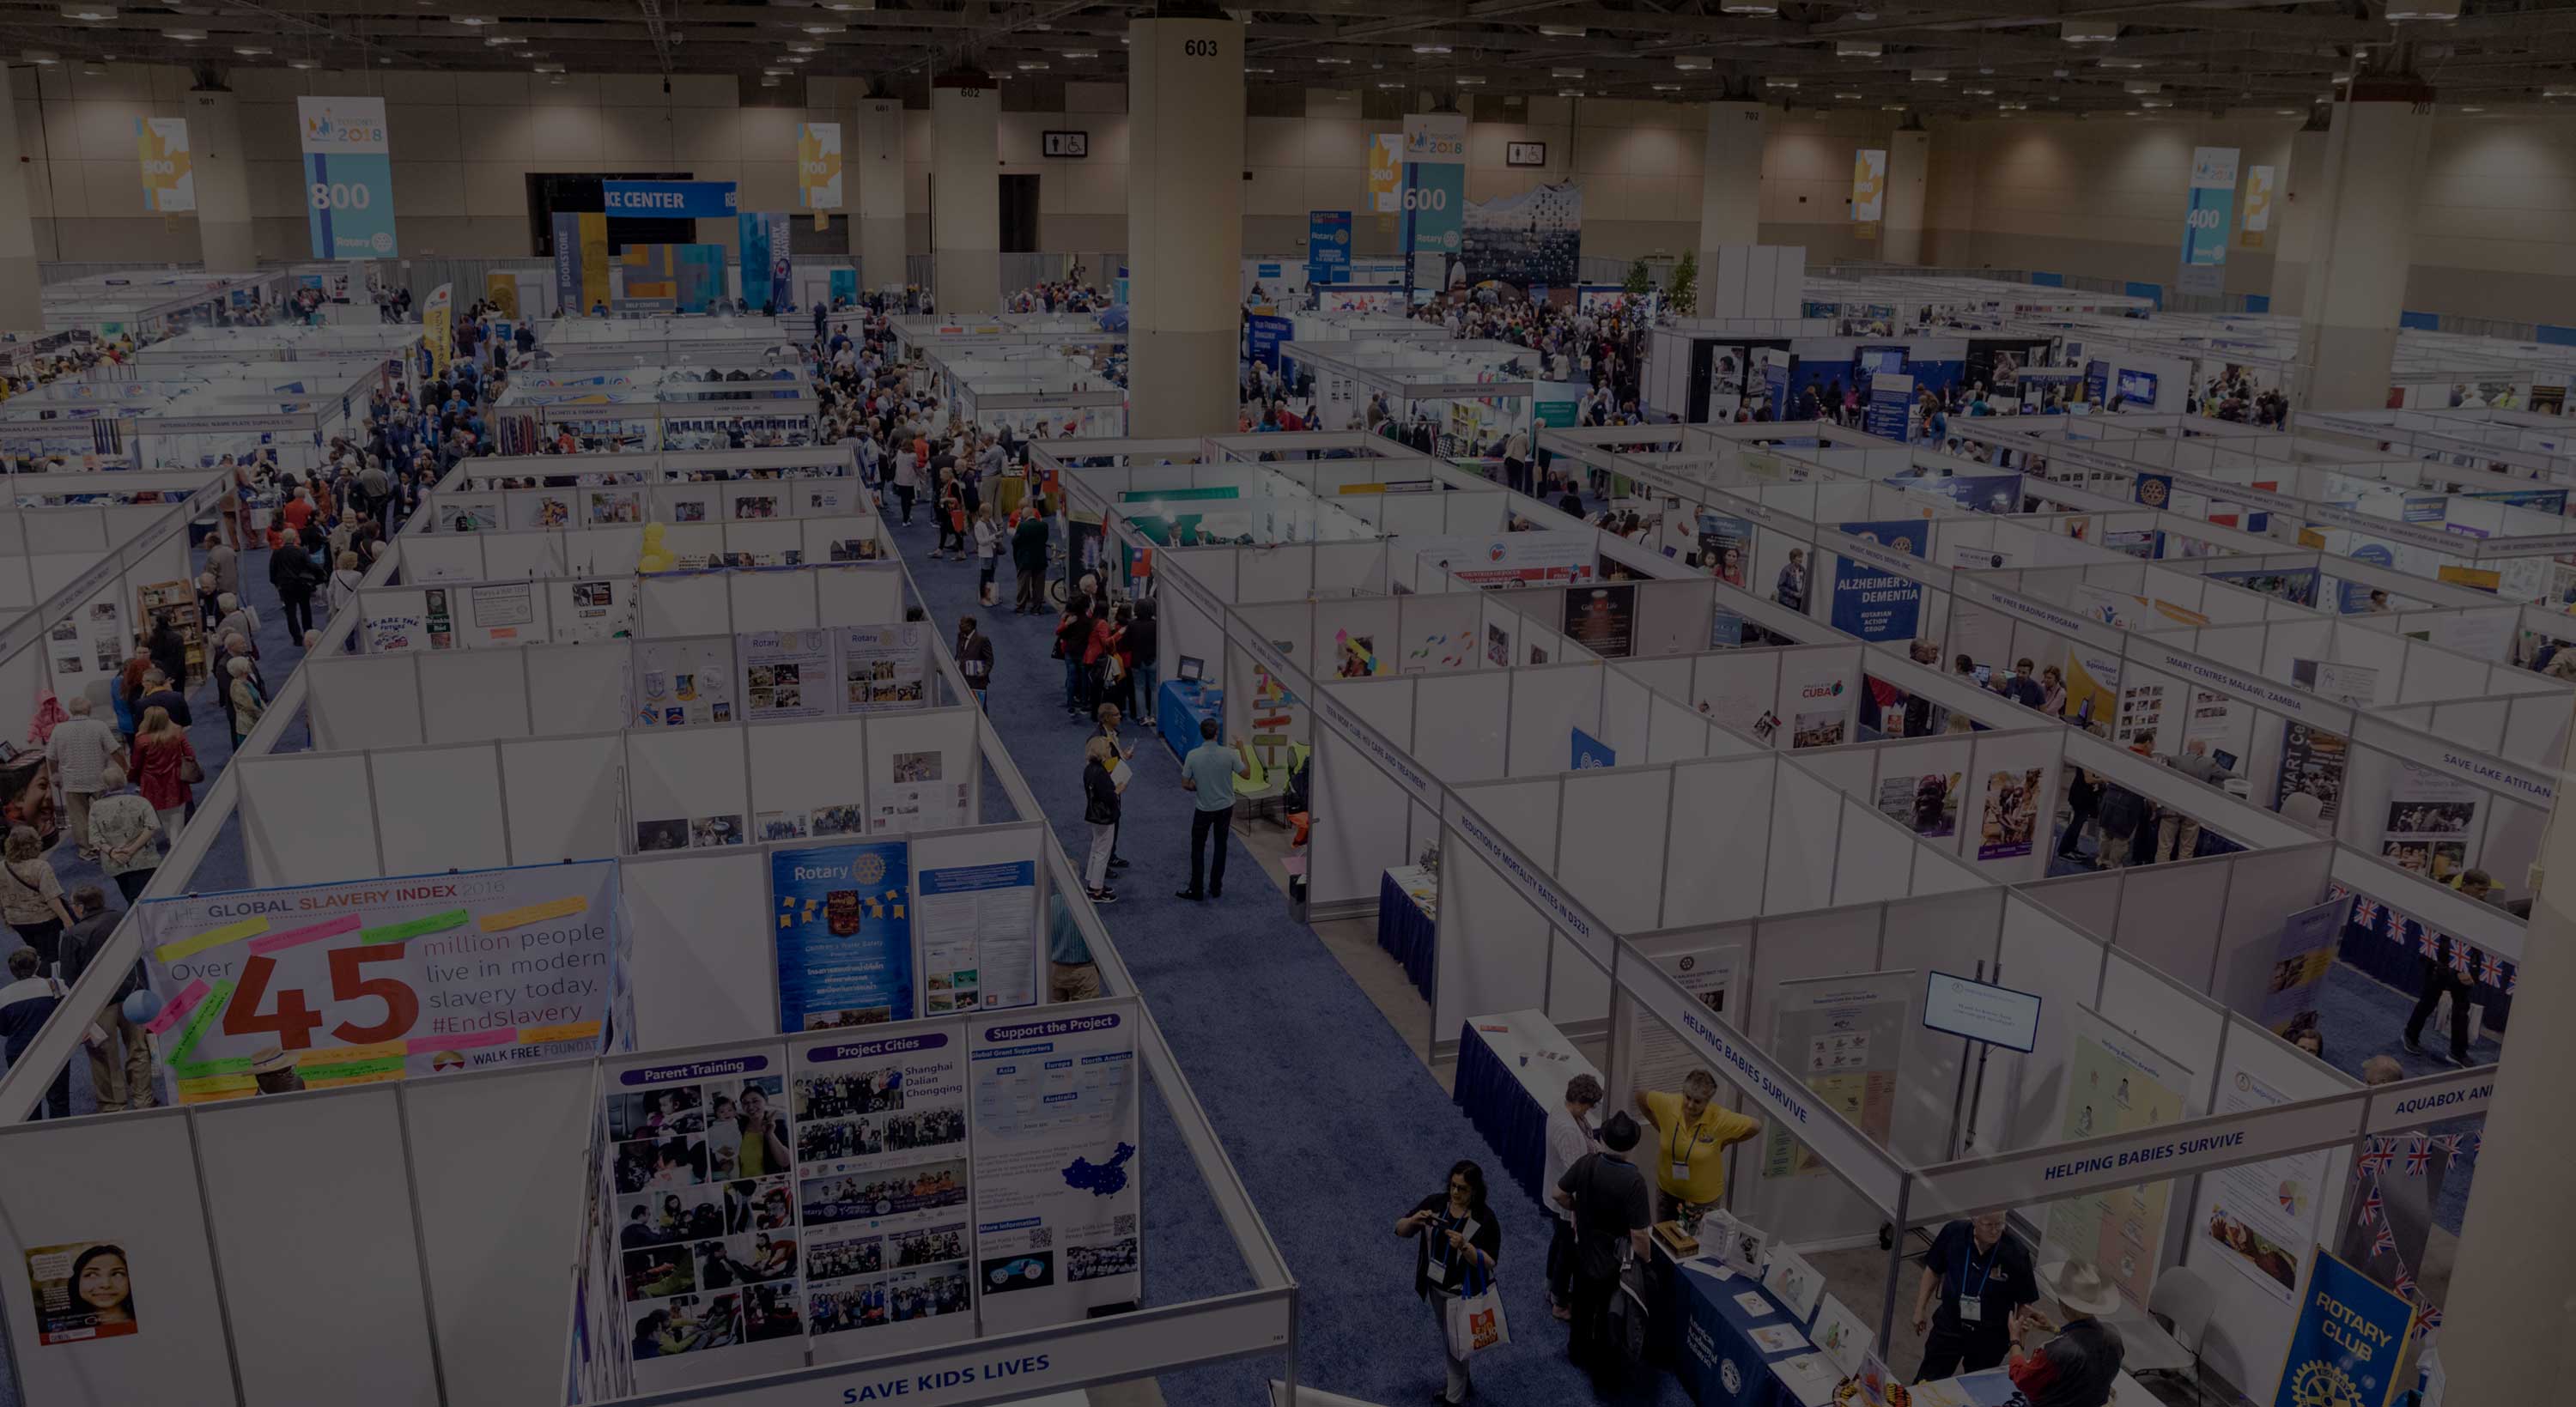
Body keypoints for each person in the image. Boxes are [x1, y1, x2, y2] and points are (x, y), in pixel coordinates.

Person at [1397, 1160, 1504, 1407]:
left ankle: (1454, 1398)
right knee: (1454, 1339)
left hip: (1461, 1294)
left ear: (1475, 1190)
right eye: (1453, 1186)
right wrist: (1414, 1220)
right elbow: (1399, 1229)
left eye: (1463, 1189)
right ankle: (1463, 1383)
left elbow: (1489, 1261)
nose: (1455, 1193)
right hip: (1435, 1288)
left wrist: (1466, 1248)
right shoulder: (1435, 1204)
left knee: (1455, 1346)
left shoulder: (1486, 1219)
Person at [1557, 1109, 1652, 1375]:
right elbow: (1640, 1235)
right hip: (1613, 1260)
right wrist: (1646, 1260)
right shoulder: (1634, 1181)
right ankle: (1601, 1365)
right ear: (1632, 1146)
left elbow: (1559, 1194)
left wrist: (1578, 1208)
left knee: (1583, 1304)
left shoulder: (1587, 1162)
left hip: (1584, 1250)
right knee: (1609, 1312)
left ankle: (1577, 1352)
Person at [1911, 1210, 2038, 1380]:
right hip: (1950, 1326)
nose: (1995, 1231)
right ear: (1974, 1220)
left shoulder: (2016, 1253)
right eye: (1989, 1225)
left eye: (2000, 1224)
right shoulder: (1953, 1233)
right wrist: (1920, 1309)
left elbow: (2025, 1301)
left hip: (1990, 1337)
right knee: (1927, 1381)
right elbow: (1933, 1269)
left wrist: (2019, 1341)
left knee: (1978, 1388)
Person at [1630, 1069, 1760, 1232]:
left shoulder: (1720, 1118)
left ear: (1708, 1102)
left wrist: (1727, 1141)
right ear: (1683, 1093)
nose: (1690, 1105)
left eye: (1697, 1101)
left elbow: (1755, 1126)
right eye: (1688, 1098)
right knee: (1664, 1242)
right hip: (1668, 1193)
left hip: (1702, 1201)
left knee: (1696, 1247)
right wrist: (1660, 1127)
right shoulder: (1668, 1104)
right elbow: (1641, 1097)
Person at [61, 885, 151, 1112]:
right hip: (133, 996)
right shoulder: (124, 918)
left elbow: (69, 976)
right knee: (139, 1049)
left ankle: (113, 1105)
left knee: (103, 1056)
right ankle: (143, 1099)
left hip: (99, 1005)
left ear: (80, 907)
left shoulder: (74, 934)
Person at [2004, 1260, 2125, 1406]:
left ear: (2063, 1304)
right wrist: (2054, 1329)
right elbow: (2083, 1348)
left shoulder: (2055, 1353)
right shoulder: (2114, 1336)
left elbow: (2022, 1379)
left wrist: (2015, 1339)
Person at [1542, 1073, 1604, 1321]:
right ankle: (1559, 1301)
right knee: (1567, 1251)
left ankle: (1550, 1288)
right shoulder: (1568, 1130)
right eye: (1588, 1106)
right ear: (1579, 1102)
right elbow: (1574, 1173)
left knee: (1558, 1242)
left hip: (1556, 1193)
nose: (1589, 1111)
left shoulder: (1561, 1107)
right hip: (1566, 1203)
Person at [1177, 719, 1251, 902]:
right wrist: (1241, 747)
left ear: (1202, 733)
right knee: (1221, 846)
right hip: (1225, 808)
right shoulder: (1230, 754)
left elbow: (1185, 784)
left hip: (1204, 808)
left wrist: (1200, 787)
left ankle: (1196, 890)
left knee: (1198, 847)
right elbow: (1247, 774)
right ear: (1217, 733)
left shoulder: (1193, 755)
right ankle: (1216, 887)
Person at [46, 695, 120, 864]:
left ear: (71, 711)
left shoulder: (59, 729)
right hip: (99, 778)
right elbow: (115, 749)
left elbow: (50, 756)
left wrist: (55, 774)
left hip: (73, 781)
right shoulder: (99, 726)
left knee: (79, 818)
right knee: (106, 812)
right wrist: (125, 768)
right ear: (89, 710)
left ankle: (87, 850)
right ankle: (111, 845)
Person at [0, 946, 69, 1118]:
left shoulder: (3, 996)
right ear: (37, 965)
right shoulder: (56, 985)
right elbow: (68, 1015)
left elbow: (3, 1029)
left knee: (28, 1103)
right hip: (54, 1049)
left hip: (19, 1053)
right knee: (59, 1100)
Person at [2403, 929, 2481, 1067]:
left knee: (2461, 1009)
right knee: (2429, 1000)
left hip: (2462, 957)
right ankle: (2410, 1035)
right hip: (2439, 958)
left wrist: (2472, 973)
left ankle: (2457, 1052)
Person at [88, 764, 161, 905]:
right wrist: (132, 850)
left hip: (115, 862)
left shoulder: (96, 807)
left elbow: (95, 838)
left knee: (130, 897)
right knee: (144, 902)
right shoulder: (141, 801)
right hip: (144, 859)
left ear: (104, 784)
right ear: (124, 780)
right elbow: (152, 827)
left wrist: (113, 852)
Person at [131, 706, 198, 837]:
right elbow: (191, 754)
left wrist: (132, 778)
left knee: (163, 815)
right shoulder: (177, 733)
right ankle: (176, 842)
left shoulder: (141, 740)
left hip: (152, 782)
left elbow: (136, 764)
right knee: (177, 814)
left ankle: (172, 840)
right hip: (175, 779)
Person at [1081, 735, 1124, 905]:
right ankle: (1097, 890)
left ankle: (1092, 883)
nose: (1109, 750)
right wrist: (1119, 790)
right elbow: (1110, 797)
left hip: (1093, 814)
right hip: (1104, 816)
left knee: (1096, 848)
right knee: (1102, 852)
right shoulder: (1101, 773)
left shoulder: (1089, 769)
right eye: (1107, 748)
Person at [1046, 892, 1103, 1002]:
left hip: (1054, 970)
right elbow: (1100, 940)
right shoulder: (1087, 905)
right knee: (1087, 1016)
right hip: (1083, 971)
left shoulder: (1049, 903)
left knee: (1055, 1015)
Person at [732, 1081, 790, 1178]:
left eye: (755, 1101)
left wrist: (770, 1135)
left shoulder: (778, 1124)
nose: (750, 1106)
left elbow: (785, 1162)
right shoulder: (739, 1126)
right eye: (745, 1103)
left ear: (766, 1101)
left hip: (768, 1184)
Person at [1012, 500, 1051, 615]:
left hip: (1025, 560)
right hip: (1040, 560)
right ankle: (1037, 609)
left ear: (1024, 516)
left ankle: (1020, 608)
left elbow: (1015, 542)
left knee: (1023, 585)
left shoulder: (1022, 526)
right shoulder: (1044, 525)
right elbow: (1045, 540)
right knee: (1039, 586)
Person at [955, 616, 993, 707]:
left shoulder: (982, 639)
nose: (959, 625)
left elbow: (990, 659)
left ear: (970, 626)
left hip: (977, 682)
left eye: (962, 623)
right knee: (965, 707)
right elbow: (959, 655)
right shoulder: (960, 635)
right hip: (963, 679)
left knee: (980, 710)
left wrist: (984, 672)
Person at [971, 502, 1003, 605]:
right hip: (985, 554)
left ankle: (992, 595)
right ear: (983, 513)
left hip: (994, 553)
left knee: (991, 575)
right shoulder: (978, 526)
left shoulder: (991, 521)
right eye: (989, 513)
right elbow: (981, 542)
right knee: (984, 576)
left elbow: (995, 532)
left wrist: (999, 537)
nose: (991, 515)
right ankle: (982, 597)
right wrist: (994, 537)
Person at [326, 549, 365, 620]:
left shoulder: (335, 573)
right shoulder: (358, 575)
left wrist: (330, 607)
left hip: (339, 605)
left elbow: (330, 591)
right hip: (352, 605)